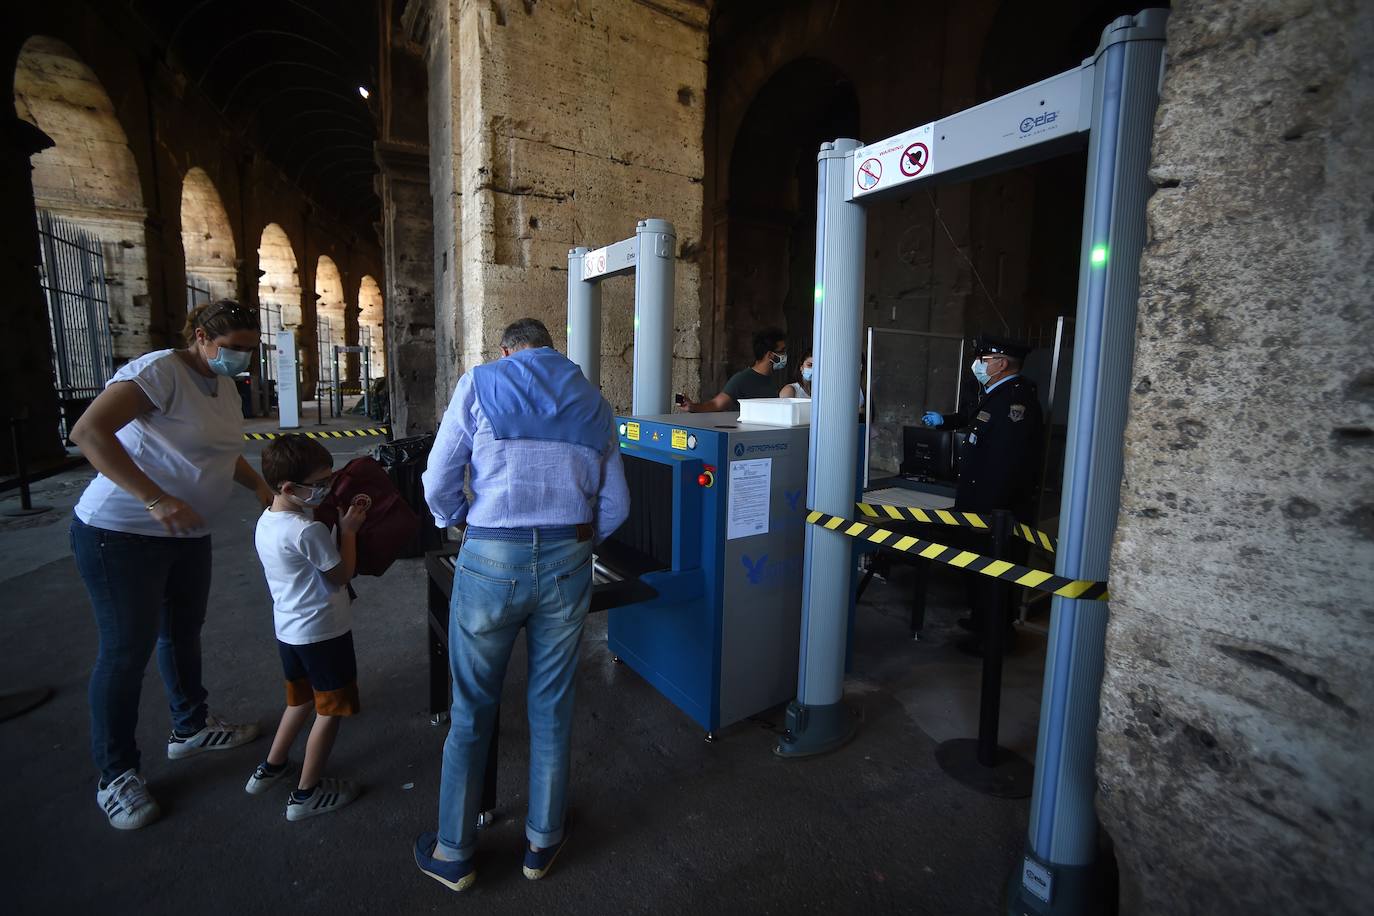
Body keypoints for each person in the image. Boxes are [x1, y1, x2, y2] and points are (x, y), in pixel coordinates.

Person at [414, 317, 629, 892]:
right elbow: (616, 506)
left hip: (491, 561)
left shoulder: (481, 383)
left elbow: (437, 479)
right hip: (569, 562)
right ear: (551, 350)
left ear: (508, 349)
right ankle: (542, 841)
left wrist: (459, 522)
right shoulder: (595, 402)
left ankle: (454, 851)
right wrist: (576, 545)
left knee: (472, 709)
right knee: (552, 704)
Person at [69, 298, 273, 830]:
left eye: (251, 351)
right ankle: (115, 775)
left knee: (181, 633)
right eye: (234, 349)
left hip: (188, 533)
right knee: (124, 652)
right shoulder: (158, 372)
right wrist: (154, 498)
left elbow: (219, 452)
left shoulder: (222, 385)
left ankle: (190, 726)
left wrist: (259, 487)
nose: (243, 360)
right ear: (202, 336)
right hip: (122, 533)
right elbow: (88, 433)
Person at [246, 435, 369, 820]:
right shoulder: (306, 531)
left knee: (298, 701)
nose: (326, 489)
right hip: (323, 633)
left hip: (290, 631)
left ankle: (272, 765)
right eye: (319, 483)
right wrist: (349, 531)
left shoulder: (269, 519)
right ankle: (306, 793)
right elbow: (341, 574)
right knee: (329, 710)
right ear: (288, 487)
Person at [921, 335, 1044, 655]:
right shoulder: (998, 393)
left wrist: (986, 516)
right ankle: (980, 621)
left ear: (1001, 364)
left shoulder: (1015, 401)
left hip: (995, 509)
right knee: (977, 570)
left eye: (984, 359)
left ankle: (994, 639)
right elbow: (974, 419)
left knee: (993, 575)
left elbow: (1006, 464)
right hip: (980, 503)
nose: (978, 364)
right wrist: (944, 422)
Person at [677, 326, 787, 412]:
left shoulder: (773, 378)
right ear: (770, 355)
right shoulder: (742, 379)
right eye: (782, 351)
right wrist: (692, 407)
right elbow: (716, 404)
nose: (785, 354)